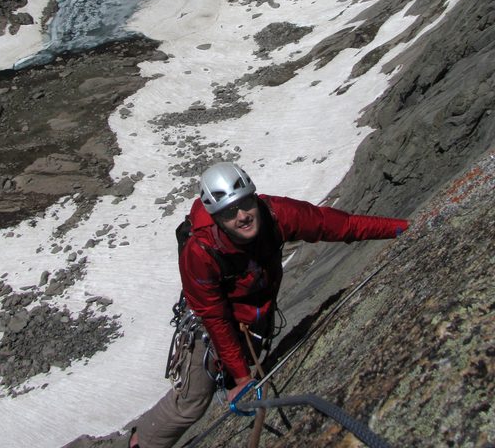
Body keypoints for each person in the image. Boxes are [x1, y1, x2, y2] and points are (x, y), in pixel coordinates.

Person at [129, 161, 409, 448]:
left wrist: (400, 229)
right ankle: (141, 442)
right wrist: (240, 378)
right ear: (215, 217)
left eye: (245, 203)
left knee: (243, 371)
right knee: (193, 401)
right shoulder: (200, 251)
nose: (242, 216)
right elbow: (214, 316)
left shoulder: (276, 214)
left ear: (254, 196)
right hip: (209, 325)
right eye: (228, 212)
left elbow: (338, 225)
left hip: (253, 317)